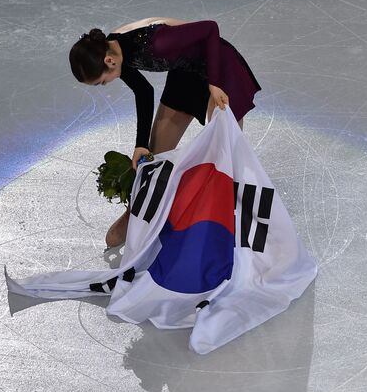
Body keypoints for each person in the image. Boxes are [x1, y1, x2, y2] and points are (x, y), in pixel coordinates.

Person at [69, 18, 262, 246]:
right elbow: (143, 90)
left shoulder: (158, 44)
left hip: (219, 71)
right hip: (185, 72)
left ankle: (228, 220)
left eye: (102, 82)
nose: (105, 85)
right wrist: (141, 144)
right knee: (156, 156)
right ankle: (136, 213)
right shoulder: (115, 50)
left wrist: (213, 84)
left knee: (224, 155)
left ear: (108, 61)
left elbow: (210, 28)